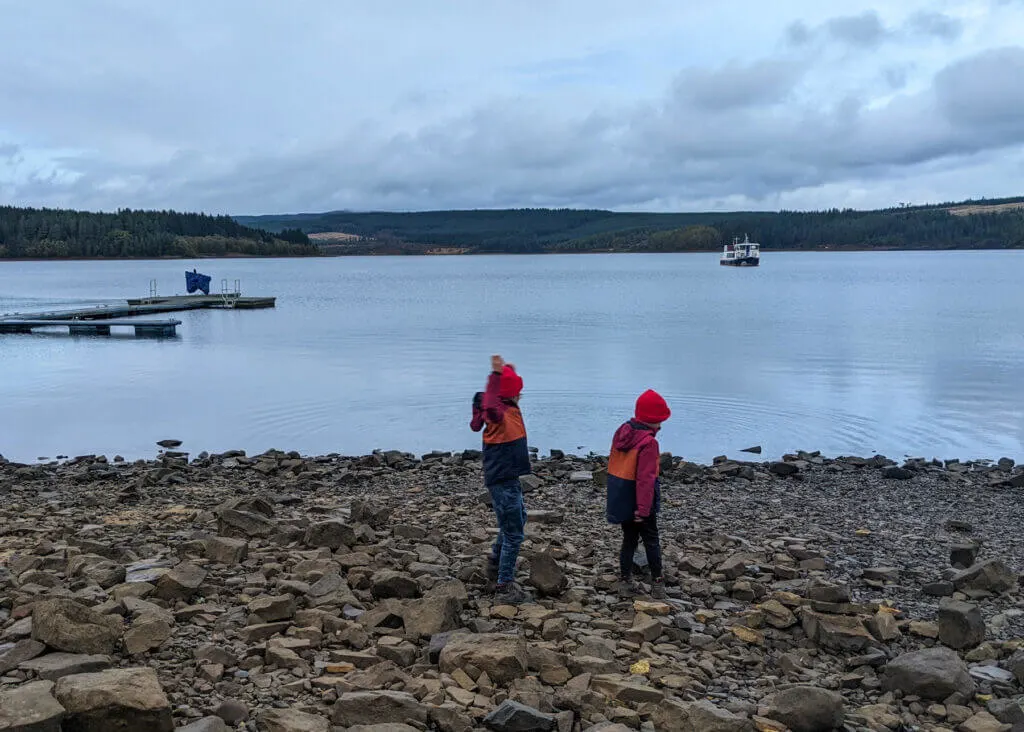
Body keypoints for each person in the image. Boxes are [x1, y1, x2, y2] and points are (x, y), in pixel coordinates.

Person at [470, 354, 532, 604]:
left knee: (518, 521)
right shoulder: (497, 413)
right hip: (502, 480)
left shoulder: (509, 408)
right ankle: (504, 584)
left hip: (509, 477)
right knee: (514, 533)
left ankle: (495, 563)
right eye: (518, 393)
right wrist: (496, 377)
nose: (520, 398)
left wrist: (508, 374)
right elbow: (491, 406)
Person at [606, 389, 671, 599]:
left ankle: (625, 580)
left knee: (629, 540)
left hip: (623, 498)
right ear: (651, 420)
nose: (661, 426)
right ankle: (658, 583)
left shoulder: (623, 433)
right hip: (641, 502)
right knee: (651, 540)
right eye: (659, 421)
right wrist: (642, 510)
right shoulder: (649, 443)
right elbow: (646, 480)